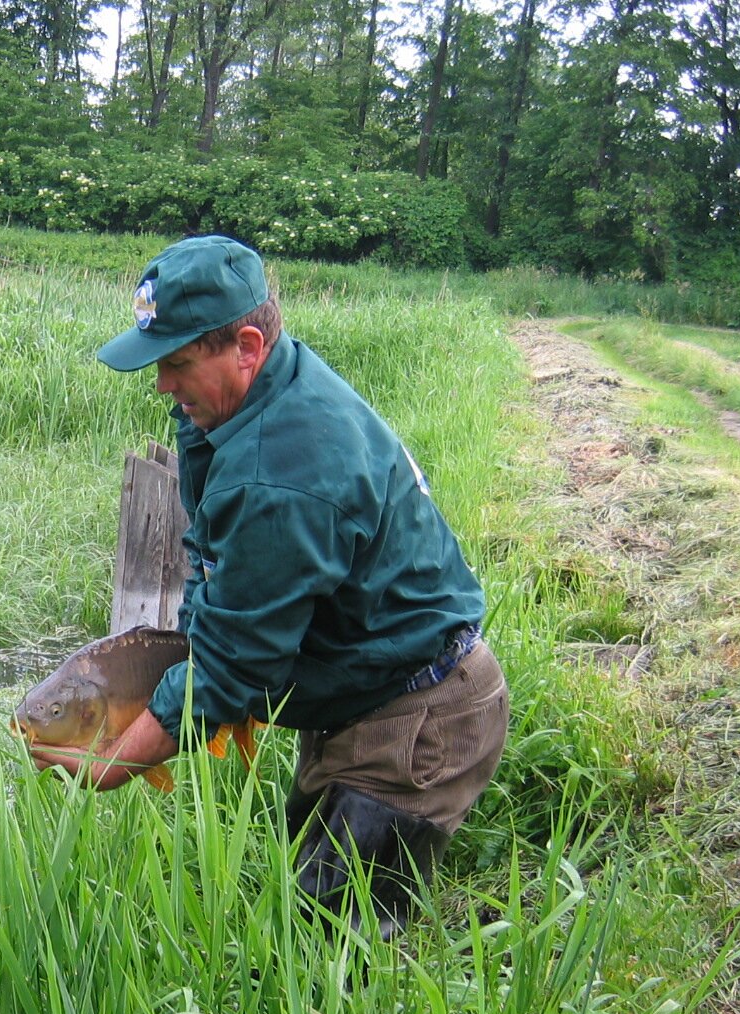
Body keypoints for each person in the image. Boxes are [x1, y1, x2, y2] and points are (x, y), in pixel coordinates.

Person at [28, 234, 509, 929]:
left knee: (330, 955)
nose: (162, 383)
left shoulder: (281, 474)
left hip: (418, 717)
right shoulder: (254, 399)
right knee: (307, 916)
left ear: (247, 345)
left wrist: (114, 765)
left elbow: (233, 664)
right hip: (357, 702)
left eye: (179, 363)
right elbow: (215, 566)